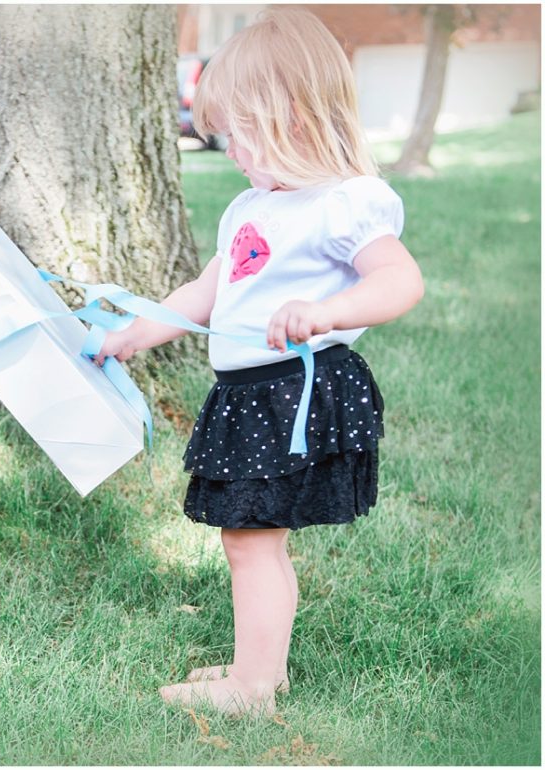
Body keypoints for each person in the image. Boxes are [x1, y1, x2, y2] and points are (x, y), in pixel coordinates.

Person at [96, 8, 423, 715]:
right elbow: (207, 293)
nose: (232, 150)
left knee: (250, 541)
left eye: (240, 133)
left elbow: (401, 282)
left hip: (294, 393)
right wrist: (135, 334)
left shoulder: (344, 204)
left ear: (293, 118)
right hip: (247, 395)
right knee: (250, 541)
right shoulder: (251, 206)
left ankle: (252, 687)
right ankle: (260, 668)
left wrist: (327, 313)